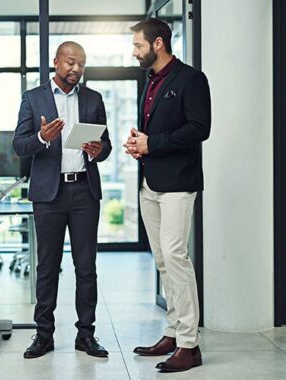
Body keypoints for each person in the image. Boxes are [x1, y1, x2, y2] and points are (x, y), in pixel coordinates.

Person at [13, 41, 112, 359]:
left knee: (86, 267)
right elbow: (18, 145)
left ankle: (86, 335)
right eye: (71, 62)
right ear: (56, 62)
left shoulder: (94, 99)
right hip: (49, 194)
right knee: (47, 267)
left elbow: (106, 145)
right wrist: (43, 137)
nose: (76, 69)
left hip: (84, 191)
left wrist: (99, 151)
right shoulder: (33, 98)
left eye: (81, 64)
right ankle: (43, 336)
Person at [123, 18, 211, 372]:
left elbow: (199, 128)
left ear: (158, 44)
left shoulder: (191, 79)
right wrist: (139, 143)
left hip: (178, 183)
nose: (134, 51)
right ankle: (174, 332)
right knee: (162, 261)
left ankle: (190, 345)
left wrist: (153, 143)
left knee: (176, 257)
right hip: (151, 182)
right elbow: (156, 130)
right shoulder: (151, 81)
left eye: (138, 46)